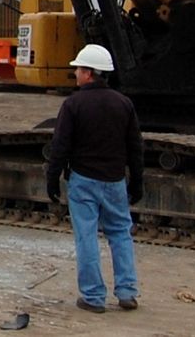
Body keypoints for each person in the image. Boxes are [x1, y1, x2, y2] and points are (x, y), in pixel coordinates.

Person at [44, 43, 143, 313]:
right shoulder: (124, 104)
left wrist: (52, 179)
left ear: (89, 73)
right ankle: (126, 292)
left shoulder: (73, 104)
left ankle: (93, 297)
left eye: (78, 69)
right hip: (114, 182)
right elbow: (135, 147)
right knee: (121, 235)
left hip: (83, 181)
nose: (75, 73)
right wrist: (137, 181)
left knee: (86, 237)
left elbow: (60, 145)